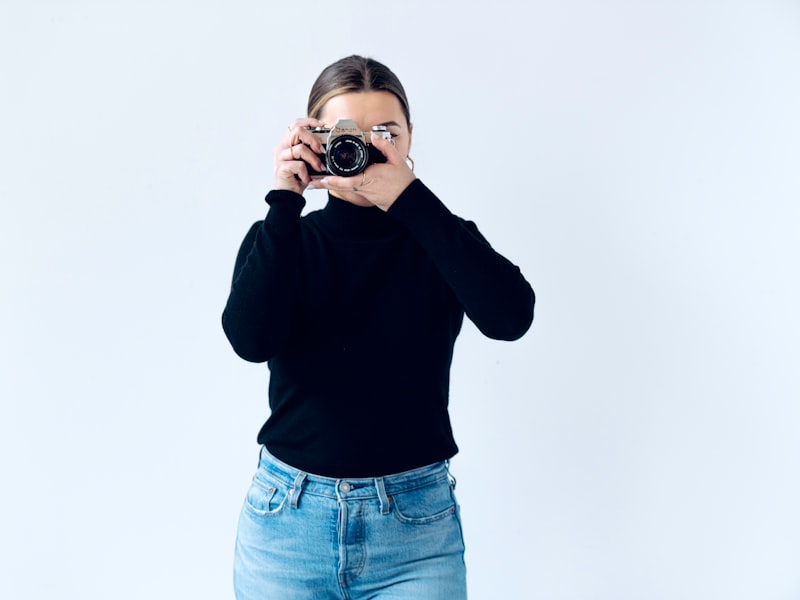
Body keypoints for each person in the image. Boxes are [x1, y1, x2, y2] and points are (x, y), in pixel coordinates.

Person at [222, 54, 535, 599]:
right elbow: (250, 341)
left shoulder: (442, 242)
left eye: (384, 132)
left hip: (416, 531)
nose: (362, 147)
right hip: (287, 525)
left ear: (410, 137)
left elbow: (511, 319)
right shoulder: (283, 240)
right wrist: (285, 199)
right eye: (344, 133)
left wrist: (409, 196)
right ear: (312, 138)